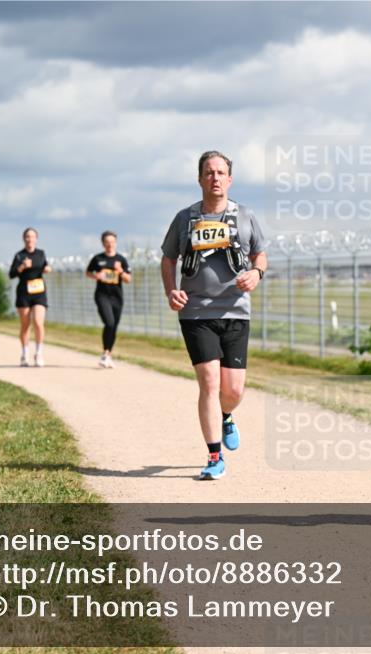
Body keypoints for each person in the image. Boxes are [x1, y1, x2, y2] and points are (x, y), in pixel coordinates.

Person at [160, 150, 268, 480]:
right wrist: (171, 291)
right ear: (199, 179)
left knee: (233, 390)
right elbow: (167, 260)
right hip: (196, 313)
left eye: (221, 173)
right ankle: (214, 456)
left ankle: (226, 414)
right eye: (209, 173)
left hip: (236, 311)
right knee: (209, 381)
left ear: (230, 179)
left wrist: (257, 274)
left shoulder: (246, 216)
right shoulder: (184, 219)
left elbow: (259, 254)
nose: (215, 178)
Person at [86, 231, 132, 368]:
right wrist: (96, 276)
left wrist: (120, 271)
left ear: (116, 243)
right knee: (109, 322)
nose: (110, 244)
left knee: (114, 326)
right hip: (102, 295)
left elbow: (128, 279)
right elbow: (88, 272)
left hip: (117, 297)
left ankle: (108, 355)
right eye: (107, 242)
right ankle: (105, 354)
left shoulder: (121, 260)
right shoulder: (98, 259)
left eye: (112, 242)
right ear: (103, 243)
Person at [8, 227, 51, 367]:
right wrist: (22, 267)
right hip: (24, 293)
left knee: (38, 322)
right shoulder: (19, 256)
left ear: (36, 239)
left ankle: (39, 352)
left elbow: (46, 266)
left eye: (32, 236)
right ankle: (24, 353)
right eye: (27, 236)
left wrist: (48, 269)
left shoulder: (41, 253)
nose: (30, 239)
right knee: (25, 325)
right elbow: (12, 274)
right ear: (24, 239)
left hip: (39, 291)